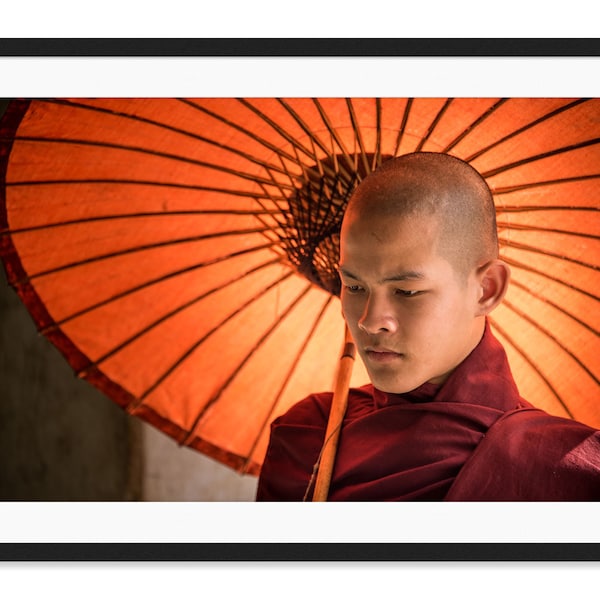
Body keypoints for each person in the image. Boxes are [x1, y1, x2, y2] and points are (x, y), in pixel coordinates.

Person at [256, 152, 600, 501]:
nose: (370, 320)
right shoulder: (308, 435)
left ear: (487, 289)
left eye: (407, 291)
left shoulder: (563, 469)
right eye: (355, 287)